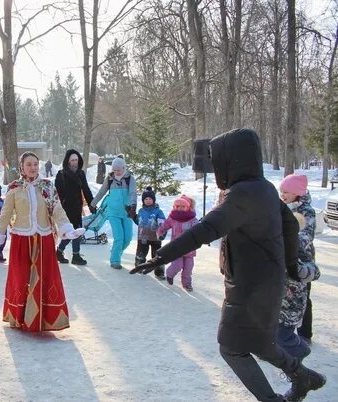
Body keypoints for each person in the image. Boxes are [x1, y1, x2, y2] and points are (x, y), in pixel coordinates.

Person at [131, 128, 325, 402]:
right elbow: (290, 225)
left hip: (251, 286)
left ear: (233, 160)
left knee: (231, 348)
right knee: (257, 343)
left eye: (219, 159)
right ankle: (302, 376)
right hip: (262, 283)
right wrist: (290, 266)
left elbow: (204, 230)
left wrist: (160, 256)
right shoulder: (265, 188)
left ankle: (278, 396)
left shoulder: (243, 194)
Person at [0, 152, 84, 332]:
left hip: (43, 239)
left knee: (44, 278)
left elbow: (57, 210)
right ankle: (20, 317)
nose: (33, 167)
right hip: (21, 240)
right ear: (22, 166)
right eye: (29, 164)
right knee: (21, 278)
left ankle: (45, 318)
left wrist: (67, 229)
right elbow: (5, 215)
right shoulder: (14, 187)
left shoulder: (47, 186)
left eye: (36, 164)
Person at [278, 174, 320, 355]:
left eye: (286, 192)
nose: (283, 195)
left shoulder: (307, 211)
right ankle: (281, 337)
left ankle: (304, 334)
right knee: (285, 298)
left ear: (297, 192)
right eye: (281, 192)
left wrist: (287, 242)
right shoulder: (282, 207)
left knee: (303, 297)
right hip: (284, 257)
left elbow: (306, 236)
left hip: (302, 259)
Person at [90, 157, 138, 269]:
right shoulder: (110, 179)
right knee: (119, 238)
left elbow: (133, 194)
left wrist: (133, 207)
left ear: (124, 168)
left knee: (128, 238)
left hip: (127, 212)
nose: (116, 172)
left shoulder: (130, 179)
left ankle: (115, 253)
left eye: (118, 170)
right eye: (114, 170)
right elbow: (102, 192)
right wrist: (93, 204)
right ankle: (115, 260)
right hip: (113, 212)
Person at [55, 149, 95, 265]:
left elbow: (86, 189)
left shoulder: (80, 173)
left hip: (77, 207)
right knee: (71, 232)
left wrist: (91, 204)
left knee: (76, 231)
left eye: (76, 160)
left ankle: (66, 253)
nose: (74, 162)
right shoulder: (61, 174)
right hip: (66, 208)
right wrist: (60, 206)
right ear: (68, 161)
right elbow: (58, 193)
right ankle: (71, 254)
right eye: (72, 160)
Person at [155, 197, 199, 291]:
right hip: (176, 248)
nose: (180, 208)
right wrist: (160, 233)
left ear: (188, 207)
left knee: (188, 268)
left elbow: (199, 228)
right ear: (174, 206)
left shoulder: (192, 219)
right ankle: (170, 274)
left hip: (189, 248)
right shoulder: (172, 218)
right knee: (177, 265)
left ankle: (187, 284)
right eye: (178, 206)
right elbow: (164, 226)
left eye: (183, 206)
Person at [135, 186, 166, 280]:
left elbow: (162, 222)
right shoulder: (141, 211)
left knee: (157, 256)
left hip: (155, 237)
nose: (148, 200)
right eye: (146, 199)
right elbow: (138, 222)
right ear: (143, 200)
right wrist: (133, 216)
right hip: (142, 236)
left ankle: (159, 272)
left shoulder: (158, 211)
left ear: (154, 200)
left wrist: (162, 231)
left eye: (150, 199)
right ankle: (139, 268)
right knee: (140, 253)